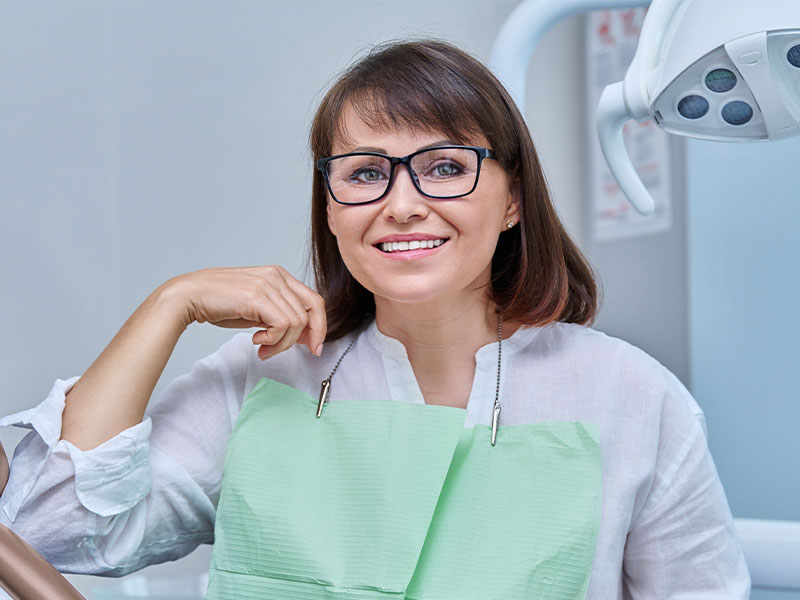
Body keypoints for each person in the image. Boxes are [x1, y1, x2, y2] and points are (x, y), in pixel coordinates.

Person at [0, 39, 749, 598]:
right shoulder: (262, 378)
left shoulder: (634, 399)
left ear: (513, 200)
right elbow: (54, 523)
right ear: (330, 211)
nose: (401, 203)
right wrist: (169, 305)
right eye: (363, 173)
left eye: (446, 166)